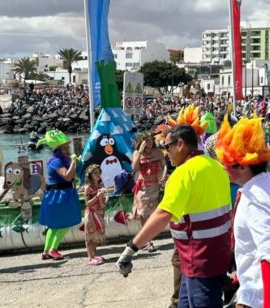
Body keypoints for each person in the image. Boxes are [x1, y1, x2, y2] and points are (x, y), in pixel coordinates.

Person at [116, 124, 232, 308]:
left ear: (180, 144)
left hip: (198, 261)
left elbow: (162, 215)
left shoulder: (183, 174)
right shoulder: (217, 168)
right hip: (217, 257)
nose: (165, 153)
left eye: (167, 147)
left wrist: (131, 248)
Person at [214, 115, 270, 307]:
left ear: (242, 165)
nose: (223, 168)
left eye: (226, 163)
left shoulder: (256, 199)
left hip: (256, 300)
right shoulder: (267, 182)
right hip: (255, 292)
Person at [37, 129, 82, 260]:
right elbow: (67, 176)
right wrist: (74, 162)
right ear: (59, 149)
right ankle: (53, 249)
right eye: (65, 146)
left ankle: (46, 251)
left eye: (67, 145)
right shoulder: (56, 161)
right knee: (64, 223)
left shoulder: (63, 160)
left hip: (63, 193)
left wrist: (73, 166)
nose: (68, 148)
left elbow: (71, 176)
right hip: (59, 195)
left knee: (55, 225)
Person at [131, 130, 167, 251]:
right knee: (143, 215)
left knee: (152, 215)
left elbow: (164, 166)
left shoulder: (158, 152)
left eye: (151, 140)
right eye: (146, 141)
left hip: (154, 187)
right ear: (141, 142)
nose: (149, 142)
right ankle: (147, 241)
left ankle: (146, 240)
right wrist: (140, 151)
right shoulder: (137, 153)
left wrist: (163, 177)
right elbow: (134, 168)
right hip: (142, 187)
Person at [83, 164, 108, 266]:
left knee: (96, 236)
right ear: (90, 175)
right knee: (89, 236)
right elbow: (87, 203)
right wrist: (97, 197)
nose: (98, 175)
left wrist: (104, 200)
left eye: (99, 172)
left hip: (99, 213)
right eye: (95, 173)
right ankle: (90, 258)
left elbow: (102, 202)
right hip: (91, 214)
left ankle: (94, 255)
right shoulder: (88, 187)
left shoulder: (100, 186)